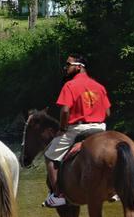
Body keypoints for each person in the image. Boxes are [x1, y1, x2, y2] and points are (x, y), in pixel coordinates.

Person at [42, 54, 111, 208]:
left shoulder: (69, 86)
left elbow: (65, 111)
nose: (65, 68)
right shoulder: (99, 86)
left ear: (79, 67)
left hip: (78, 129)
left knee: (50, 156)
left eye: (68, 64)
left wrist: (62, 128)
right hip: (100, 128)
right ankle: (115, 189)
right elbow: (107, 113)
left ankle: (57, 195)